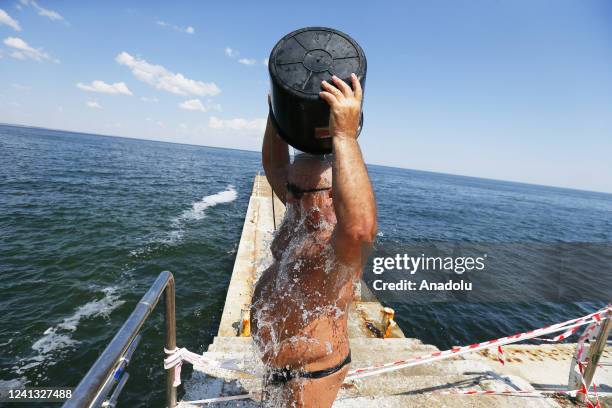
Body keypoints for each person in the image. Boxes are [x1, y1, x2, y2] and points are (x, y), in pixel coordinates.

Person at [250, 73, 376, 407]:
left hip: (311, 374)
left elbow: (361, 228)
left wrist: (345, 136)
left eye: (305, 192)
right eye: (291, 188)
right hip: (276, 362)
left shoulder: (339, 242)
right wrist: (278, 116)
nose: (292, 197)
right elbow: (276, 165)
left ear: (334, 195)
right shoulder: (300, 210)